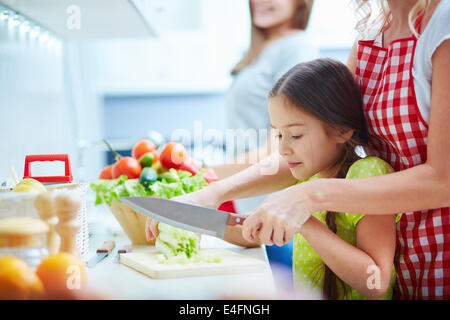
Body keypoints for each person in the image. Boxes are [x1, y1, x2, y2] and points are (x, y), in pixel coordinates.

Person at [149, 0, 449, 300]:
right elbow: (308, 153)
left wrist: (306, 200)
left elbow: (444, 180)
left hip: (439, 260)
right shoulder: (370, 35)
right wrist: (212, 193)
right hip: (400, 261)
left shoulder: (443, 23)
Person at [149, 58, 400, 299]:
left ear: (341, 130)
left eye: (296, 135)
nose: (282, 149)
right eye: (278, 135)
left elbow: (376, 282)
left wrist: (307, 222)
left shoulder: (368, 174)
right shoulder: (305, 177)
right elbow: (253, 234)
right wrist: (193, 218)